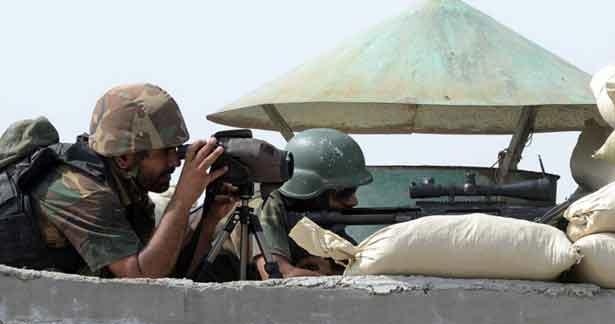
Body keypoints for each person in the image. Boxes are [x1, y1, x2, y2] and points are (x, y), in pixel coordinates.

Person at [17, 83, 238, 278]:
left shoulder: (130, 194)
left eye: (177, 150)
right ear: (124, 157)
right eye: (165, 151)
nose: (176, 162)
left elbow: (171, 275)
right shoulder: (82, 191)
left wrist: (208, 219)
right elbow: (142, 279)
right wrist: (182, 199)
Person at [253, 128, 373, 279]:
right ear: (310, 191)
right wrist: (328, 275)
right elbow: (278, 275)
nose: (353, 201)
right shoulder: (268, 205)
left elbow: (359, 269)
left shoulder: (320, 218)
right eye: (345, 192)